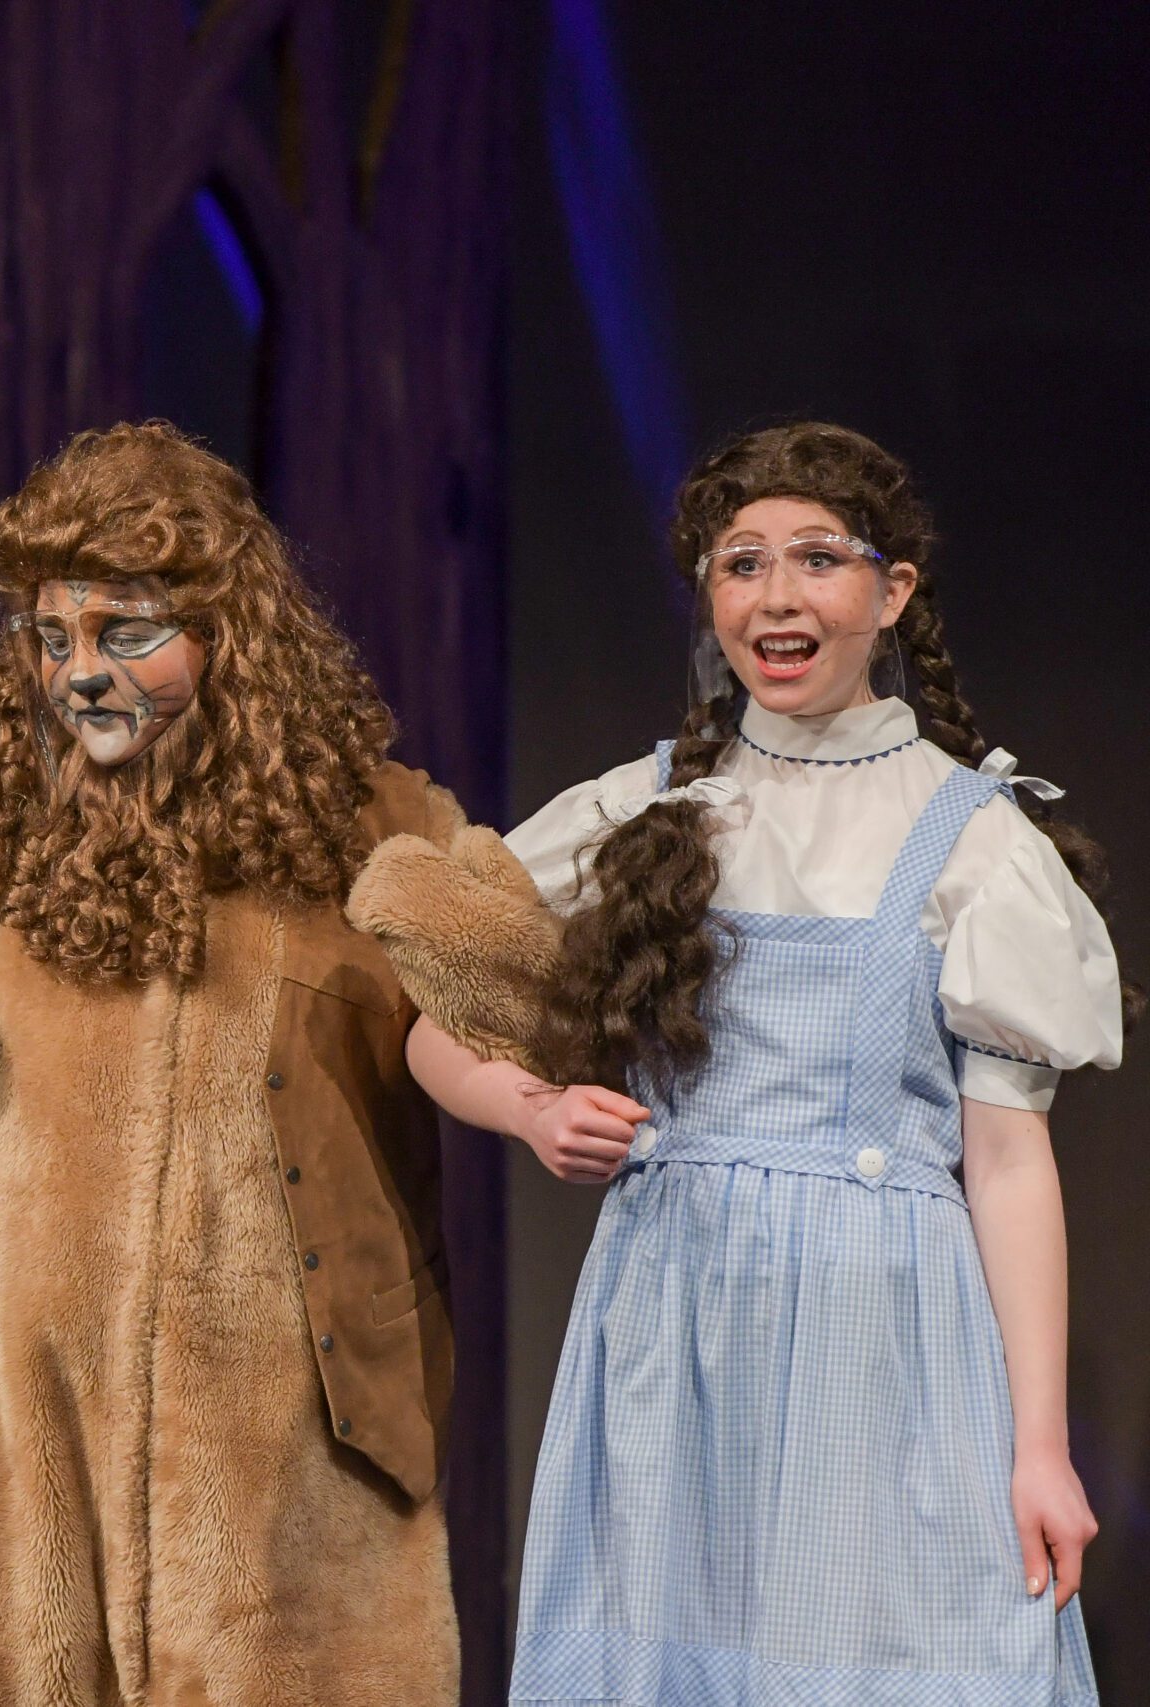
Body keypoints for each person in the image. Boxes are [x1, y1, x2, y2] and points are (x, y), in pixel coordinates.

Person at [378, 421, 1116, 1703]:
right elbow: (430, 1018)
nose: (776, 595)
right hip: (674, 1317)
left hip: (884, 1334)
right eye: (741, 562)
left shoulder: (972, 837)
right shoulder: (643, 807)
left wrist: (1039, 1447)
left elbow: (1007, 1160)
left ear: (891, 593)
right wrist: (530, 1109)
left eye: (817, 559)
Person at [0, 422, 467, 1705]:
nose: (80, 673)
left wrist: (487, 951)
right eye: (52, 639)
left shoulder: (367, 824)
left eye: (126, 632)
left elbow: (497, 1027)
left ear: (229, 633)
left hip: (284, 1436)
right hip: (18, 1429)